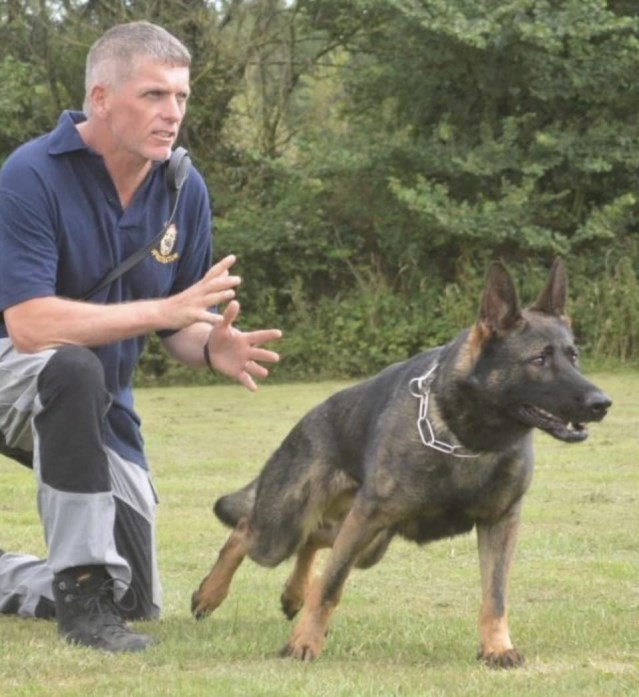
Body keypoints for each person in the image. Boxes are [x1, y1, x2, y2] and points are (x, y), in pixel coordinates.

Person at [0, 21, 281, 653]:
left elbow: (179, 322)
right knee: (70, 368)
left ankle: (70, 584)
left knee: (133, 595)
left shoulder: (183, 189)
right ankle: (79, 596)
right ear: (101, 99)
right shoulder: (30, 174)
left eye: (181, 97)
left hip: (98, 404)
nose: (173, 113)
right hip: (12, 373)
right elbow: (30, 325)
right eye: (154, 95)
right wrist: (166, 312)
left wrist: (211, 345)